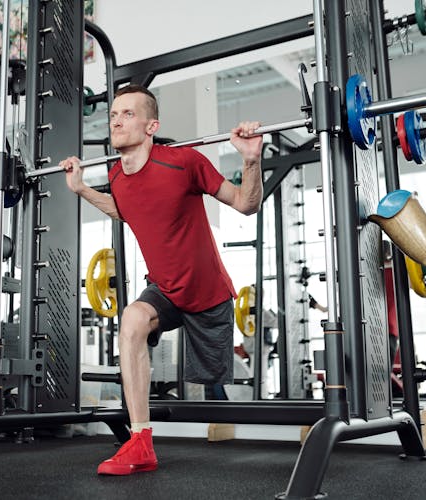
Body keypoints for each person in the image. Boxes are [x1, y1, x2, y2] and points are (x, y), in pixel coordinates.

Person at [61, 84, 263, 475]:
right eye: (114, 115)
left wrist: (251, 160)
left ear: (152, 125)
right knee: (132, 319)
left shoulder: (184, 162)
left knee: (217, 392)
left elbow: (247, 204)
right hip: (165, 289)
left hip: (207, 295)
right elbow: (124, 210)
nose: (117, 121)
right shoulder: (117, 174)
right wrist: (83, 188)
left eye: (128, 114)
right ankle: (140, 442)